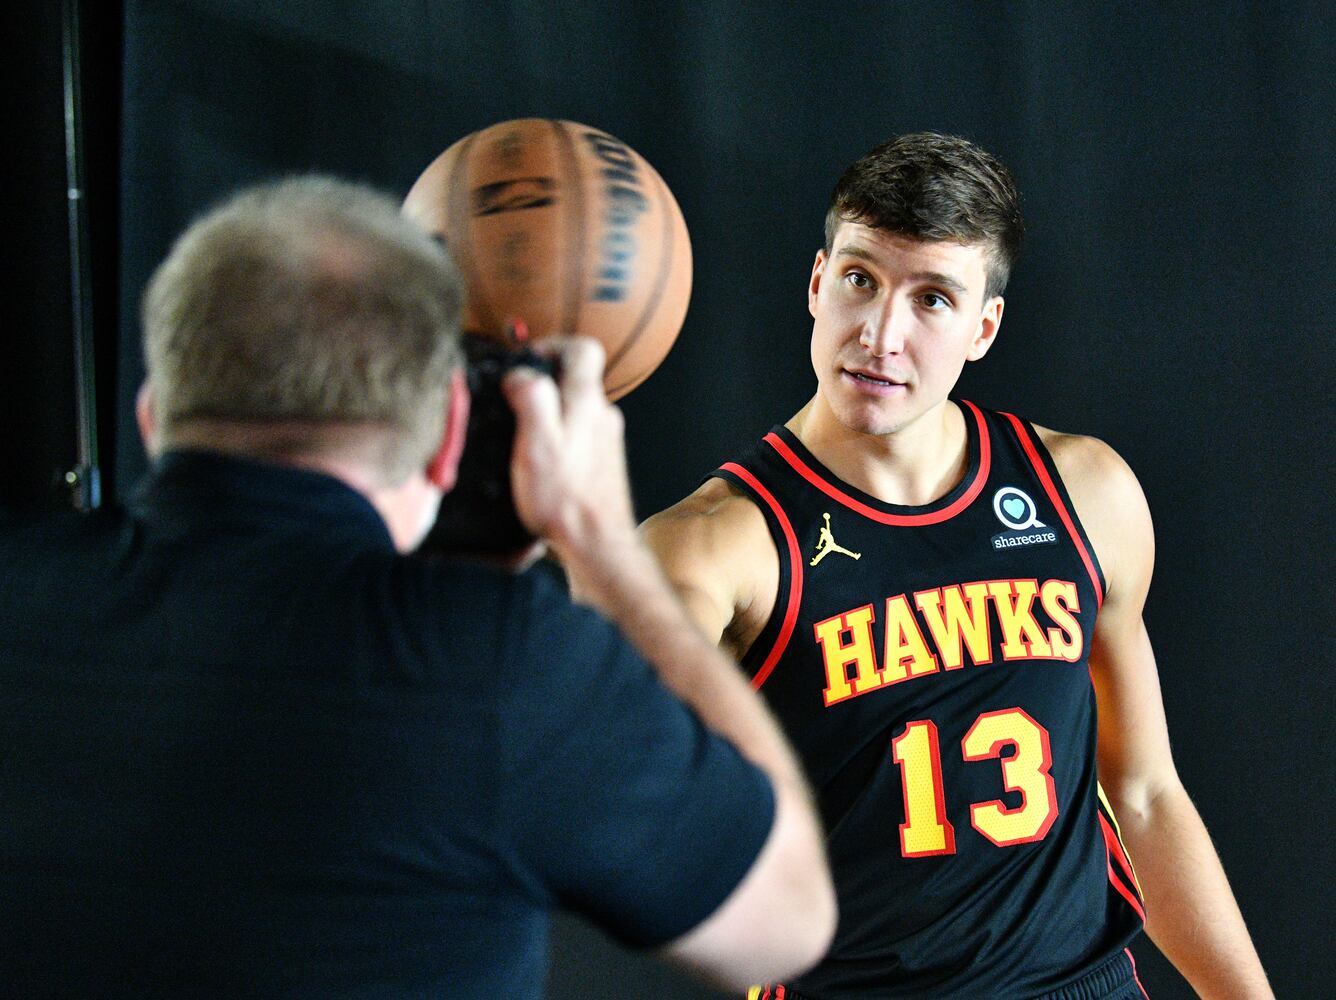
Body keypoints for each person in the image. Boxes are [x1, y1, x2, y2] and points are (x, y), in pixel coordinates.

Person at [0, 176, 835, 997]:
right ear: (449, 434)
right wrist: (605, 543)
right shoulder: (507, 669)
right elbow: (788, 920)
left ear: (154, 415)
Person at [642, 134, 1271, 999]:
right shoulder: (720, 542)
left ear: (983, 327)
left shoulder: (1084, 493)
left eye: (932, 298)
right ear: (818, 282)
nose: (880, 334)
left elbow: (1147, 794)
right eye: (861, 279)